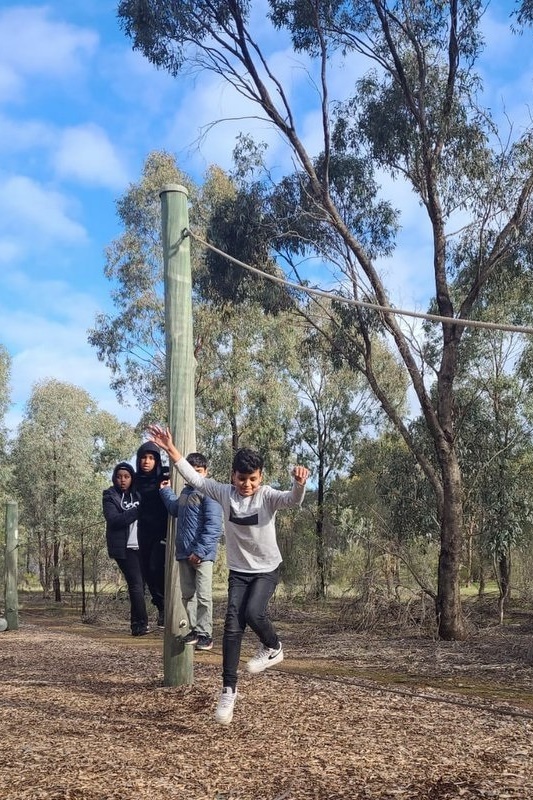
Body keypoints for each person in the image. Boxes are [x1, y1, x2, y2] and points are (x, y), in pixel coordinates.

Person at [147, 424, 310, 726]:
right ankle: (228, 690)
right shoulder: (223, 493)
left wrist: (299, 484)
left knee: (252, 612)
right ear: (233, 475)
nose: (246, 484)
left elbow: (293, 501)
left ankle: (273, 646)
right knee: (232, 629)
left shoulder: (268, 496)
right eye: (241, 478)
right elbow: (194, 477)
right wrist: (170, 449)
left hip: (266, 570)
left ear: (260, 478)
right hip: (239, 572)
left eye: (252, 479)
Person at [159, 452, 223, 651]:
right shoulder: (186, 493)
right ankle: (195, 629)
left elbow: (214, 526)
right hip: (184, 553)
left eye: (199, 471)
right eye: (191, 471)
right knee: (187, 595)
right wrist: (165, 491)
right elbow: (174, 508)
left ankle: (206, 634)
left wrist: (200, 552)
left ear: (206, 472)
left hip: (202, 555)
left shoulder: (210, 492)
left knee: (203, 595)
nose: (194, 475)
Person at [102, 461, 149, 637]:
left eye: (127, 477)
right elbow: (114, 520)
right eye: (119, 477)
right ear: (114, 478)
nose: (123, 480)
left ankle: (137, 624)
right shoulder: (110, 495)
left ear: (132, 478)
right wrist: (138, 511)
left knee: (141, 585)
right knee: (136, 585)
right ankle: (140, 625)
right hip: (124, 548)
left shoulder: (139, 494)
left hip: (144, 545)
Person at [135, 441, 169, 628]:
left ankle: (167, 607)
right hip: (143, 532)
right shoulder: (135, 480)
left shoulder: (165, 476)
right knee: (146, 572)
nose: (146, 461)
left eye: (151, 458)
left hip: (163, 532)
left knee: (157, 568)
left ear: (157, 460)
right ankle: (160, 606)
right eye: (143, 457)